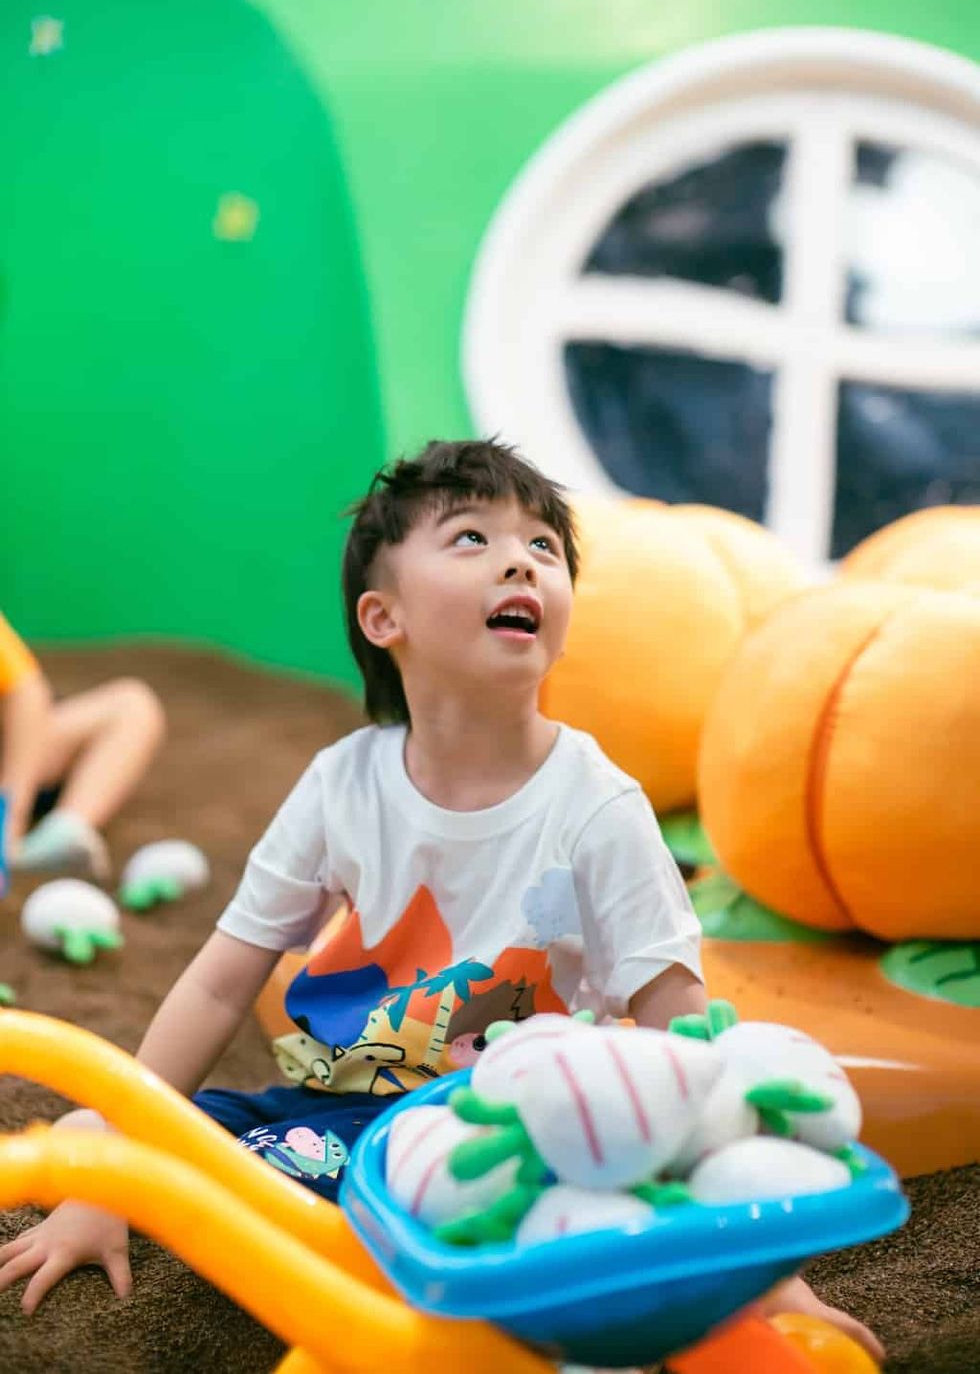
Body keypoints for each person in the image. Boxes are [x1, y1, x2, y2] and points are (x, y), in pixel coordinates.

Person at [0, 440, 883, 1361]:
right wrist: (105, 1178)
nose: (522, 559)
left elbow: (682, 1042)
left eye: (544, 546)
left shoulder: (599, 807)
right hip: (329, 1094)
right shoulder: (342, 782)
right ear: (383, 618)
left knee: (289, 1186)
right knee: (94, 1131)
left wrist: (753, 1270)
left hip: (502, 1134)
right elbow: (221, 984)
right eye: (472, 537)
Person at [0, 612, 166, 882]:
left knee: (132, 707)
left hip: (12, 754)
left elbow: (26, 693)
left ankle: (63, 832)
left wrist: (9, 814)